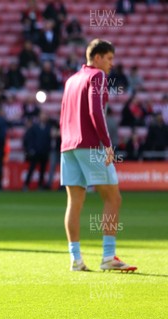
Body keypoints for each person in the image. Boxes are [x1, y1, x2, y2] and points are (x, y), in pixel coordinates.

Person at [59, 38, 136, 272]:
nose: (112, 64)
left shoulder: (71, 80)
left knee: (74, 202)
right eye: (110, 58)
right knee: (113, 198)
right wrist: (107, 143)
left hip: (68, 146)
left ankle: (76, 259)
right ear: (98, 57)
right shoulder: (97, 76)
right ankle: (108, 256)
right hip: (90, 145)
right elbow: (96, 111)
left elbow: (63, 114)